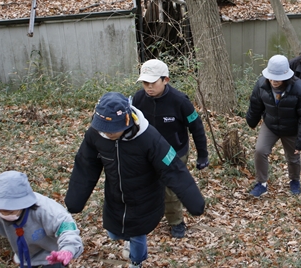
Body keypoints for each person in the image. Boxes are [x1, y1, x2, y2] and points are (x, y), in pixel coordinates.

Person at [65, 92, 205, 268]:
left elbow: (173, 168)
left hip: (144, 200)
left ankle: (137, 262)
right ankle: (127, 240)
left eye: (112, 130)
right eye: (103, 129)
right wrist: (75, 200)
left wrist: (194, 201)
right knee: (114, 234)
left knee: (137, 236)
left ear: (126, 121)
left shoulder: (149, 137)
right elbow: (85, 165)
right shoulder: (96, 135)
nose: (107, 134)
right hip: (115, 198)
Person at [132, 59, 209, 238]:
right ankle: (149, 214)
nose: (148, 87)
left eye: (153, 83)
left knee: (170, 190)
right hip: (148, 152)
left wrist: (202, 155)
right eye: (145, 83)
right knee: (146, 184)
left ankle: (176, 222)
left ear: (165, 80)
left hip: (174, 152)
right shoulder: (138, 99)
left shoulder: (180, 101)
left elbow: (196, 127)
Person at [0, 171, 83, 268]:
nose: (4, 213)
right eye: (0, 209)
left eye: (11, 210)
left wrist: (67, 250)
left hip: (53, 254)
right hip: (25, 257)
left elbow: (67, 228)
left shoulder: (47, 210)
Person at [246, 55, 301, 198]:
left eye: (277, 79)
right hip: (271, 124)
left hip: (291, 128)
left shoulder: (300, 89)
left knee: (293, 156)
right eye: (271, 78)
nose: (273, 81)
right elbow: (255, 105)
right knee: (260, 150)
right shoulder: (261, 85)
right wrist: (252, 121)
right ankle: (261, 184)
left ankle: (294, 180)